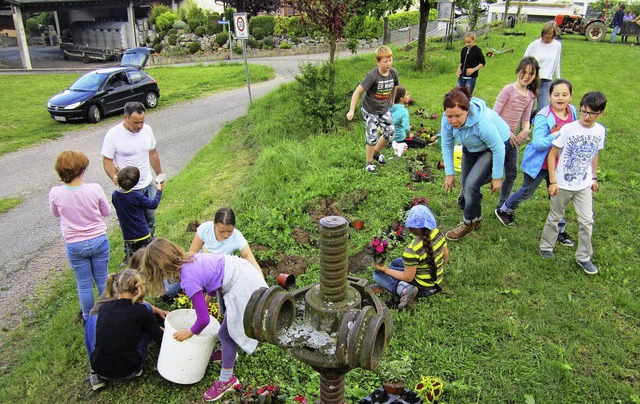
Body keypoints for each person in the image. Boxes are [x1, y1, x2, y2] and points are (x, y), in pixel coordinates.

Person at [141, 237, 268, 402]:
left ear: (161, 268)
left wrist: (189, 332)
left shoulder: (188, 279)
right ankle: (227, 353)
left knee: (226, 333)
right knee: (227, 328)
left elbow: (204, 320)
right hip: (244, 271)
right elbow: (214, 278)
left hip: (243, 284)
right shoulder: (190, 257)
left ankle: (227, 379)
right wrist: (203, 304)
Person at [494, 79, 577, 248]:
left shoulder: (572, 111)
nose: (560, 98)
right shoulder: (543, 116)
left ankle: (560, 230)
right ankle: (504, 209)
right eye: (556, 94)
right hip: (540, 164)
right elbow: (538, 143)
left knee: (557, 197)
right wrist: (556, 135)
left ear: (570, 96)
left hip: (560, 164)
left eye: (564, 94)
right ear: (549, 96)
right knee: (526, 191)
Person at [539, 92, 607, 275]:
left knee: (587, 221)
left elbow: (594, 154)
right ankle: (546, 246)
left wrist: (593, 177)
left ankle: (584, 257)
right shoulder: (568, 129)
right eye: (583, 111)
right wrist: (553, 182)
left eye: (591, 113)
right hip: (562, 184)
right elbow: (552, 155)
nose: (586, 116)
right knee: (555, 216)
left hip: (583, 184)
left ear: (601, 113)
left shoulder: (599, 131)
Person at [440, 87, 510, 241]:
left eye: (458, 116)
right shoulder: (447, 120)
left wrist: (497, 177)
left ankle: (467, 223)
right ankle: (476, 219)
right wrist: (449, 174)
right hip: (471, 147)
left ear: (467, 111)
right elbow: (446, 144)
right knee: (467, 186)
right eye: (449, 116)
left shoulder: (482, 122)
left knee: (471, 185)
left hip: (492, 147)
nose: (453, 121)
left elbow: (498, 148)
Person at [49, 150, 111, 321]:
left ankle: (88, 317)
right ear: (82, 169)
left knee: (83, 284)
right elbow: (106, 211)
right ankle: (106, 312)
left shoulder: (55, 192)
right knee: (102, 279)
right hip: (98, 240)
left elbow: (55, 213)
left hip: (75, 244)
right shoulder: (94, 188)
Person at [86, 268, 164, 389]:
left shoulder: (103, 309)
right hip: (130, 370)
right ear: (139, 288)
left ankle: (95, 374)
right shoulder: (142, 311)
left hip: (100, 369)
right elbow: (160, 339)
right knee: (145, 327)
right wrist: (161, 331)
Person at [101, 101, 163, 237]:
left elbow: (153, 153)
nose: (140, 126)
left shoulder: (147, 130)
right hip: (129, 189)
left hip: (148, 185)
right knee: (132, 224)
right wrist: (114, 178)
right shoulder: (113, 134)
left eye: (142, 121)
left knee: (151, 220)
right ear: (126, 118)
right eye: (136, 123)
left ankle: (148, 249)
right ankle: (132, 252)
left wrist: (159, 175)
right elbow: (107, 160)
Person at [372, 205, 449, 310]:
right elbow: (445, 254)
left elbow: (408, 277)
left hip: (424, 288)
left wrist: (386, 270)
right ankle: (399, 284)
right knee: (396, 262)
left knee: (378, 275)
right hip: (436, 281)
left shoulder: (412, 250)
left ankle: (405, 289)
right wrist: (440, 268)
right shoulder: (438, 233)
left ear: (409, 228)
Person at [492, 56, 539, 212]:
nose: (526, 76)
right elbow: (494, 115)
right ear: (518, 71)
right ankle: (465, 196)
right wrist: (507, 132)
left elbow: (526, 118)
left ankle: (502, 206)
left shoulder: (530, 95)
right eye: (524, 72)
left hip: (512, 141)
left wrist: (526, 130)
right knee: (486, 173)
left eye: (530, 74)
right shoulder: (508, 90)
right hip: (498, 136)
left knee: (511, 173)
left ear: (534, 76)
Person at [346, 45, 399, 174]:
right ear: (378, 62)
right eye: (385, 61)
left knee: (390, 131)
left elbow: (395, 86)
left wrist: (392, 100)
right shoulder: (372, 76)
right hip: (370, 110)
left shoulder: (393, 72)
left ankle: (376, 153)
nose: (388, 63)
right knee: (372, 135)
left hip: (383, 108)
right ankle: (368, 163)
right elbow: (357, 92)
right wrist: (351, 110)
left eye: (390, 60)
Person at [112, 166, 163, 260]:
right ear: (135, 183)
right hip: (142, 234)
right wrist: (159, 190)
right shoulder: (136, 196)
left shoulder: (115, 195)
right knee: (145, 260)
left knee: (133, 261)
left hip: (128, 236)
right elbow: (153, 204)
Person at [189, 207, 261, 271]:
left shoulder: (237, 236)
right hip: (201, 266)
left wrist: (262, 281)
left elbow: (248, 256)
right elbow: (192, 254)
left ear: (234, 226)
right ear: (214, 224)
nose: (226, 235)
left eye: (230, 231)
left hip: (221, 272)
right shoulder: (205, 228)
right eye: (221, 231)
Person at [524, 21, 561, 117]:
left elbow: (557, 62)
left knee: (543, 109)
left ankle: (534, 121)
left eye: (549, 34)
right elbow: (524, 62)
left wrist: (558, 78)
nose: (546, 36)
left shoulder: (557, 45)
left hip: (546, 81)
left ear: (554, 34)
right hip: (532, 80)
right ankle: (524, 130)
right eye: (544, 33)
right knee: (527, 109)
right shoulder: (534, 45)